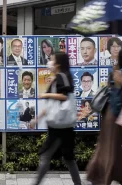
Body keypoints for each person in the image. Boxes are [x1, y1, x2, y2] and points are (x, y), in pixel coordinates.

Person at [30, 52, 82, 185]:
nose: (49, 62)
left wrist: (46, 94)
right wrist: (37, 119)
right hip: (64, 125)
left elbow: (64, 96)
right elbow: (52, 105)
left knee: (46, 155)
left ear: (58, 64)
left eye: (52, 60)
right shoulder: (60, 77)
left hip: (58, 126)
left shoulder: (61, 77)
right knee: (69, 158)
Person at [86, 48, 122, 185]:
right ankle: (110, 176)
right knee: (116, 149)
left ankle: (103, 175)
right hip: (120, 116)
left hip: (110, 114)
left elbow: (111, 91)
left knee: (107, 147)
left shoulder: (115, 71)